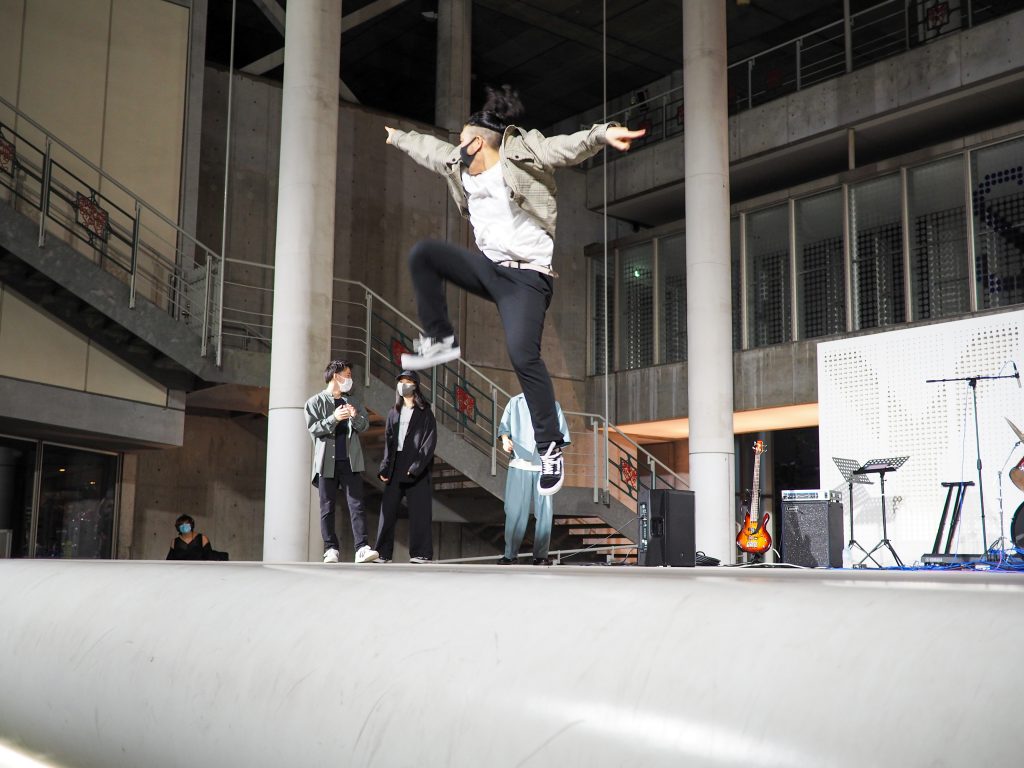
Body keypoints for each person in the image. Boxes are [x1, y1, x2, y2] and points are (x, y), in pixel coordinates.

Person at [385, 85, 644, 497]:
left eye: (460, 142)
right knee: (424, 254)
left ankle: (549, 446)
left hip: (528, 278)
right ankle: (440, 339)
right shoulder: (459, 163)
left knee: (523, 354)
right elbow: (432, 152)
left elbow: (565, 147)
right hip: (490, 270)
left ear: (476, 142)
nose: (455, 150)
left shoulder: (523, 153)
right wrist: (399, 138)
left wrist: (601, 135)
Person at [305, 360, 379, 564]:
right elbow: (314, 428)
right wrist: (334, 418)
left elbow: (364, 426)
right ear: (336, 376)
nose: (350, 379)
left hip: (350, 460)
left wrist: (354, 417)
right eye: (347, 375)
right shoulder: (314, 402)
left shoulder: (353, 401)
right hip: (326, 462)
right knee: (327, 507)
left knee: (357, 504)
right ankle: (331, 549)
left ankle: (361, 548)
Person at [497, 393, 571, 566]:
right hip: (519, 463)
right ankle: (510, 554)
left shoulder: (553, 404)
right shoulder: (514, 402)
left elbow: (562, 436)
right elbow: (504, 427)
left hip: (545, 465)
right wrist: (505, 440)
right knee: (514, 511)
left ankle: (541, 555)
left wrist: (552, 454)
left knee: (545, 512)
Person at [377, 370, 437, 563]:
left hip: (415, 468)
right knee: (387, 511)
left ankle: (421, 553)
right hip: (395, 465)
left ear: (416, 385)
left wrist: (416, 466)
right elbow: (389, 442)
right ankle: (383, 554)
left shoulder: (425, 412)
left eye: (408, 381)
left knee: (420, 512)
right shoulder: (393, 412)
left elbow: (429, 442)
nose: (404, 384)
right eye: (401, 381)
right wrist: (384, 468)